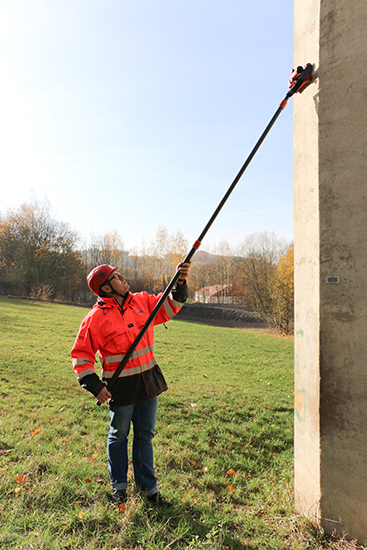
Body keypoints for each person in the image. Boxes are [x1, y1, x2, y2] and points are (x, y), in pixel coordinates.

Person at [71, 262, 191, 507]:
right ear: (105, 288)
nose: (123, 278)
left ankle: (149, 490)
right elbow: (81, 356)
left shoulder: (143, 301)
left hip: (148, 382)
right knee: (119, 436)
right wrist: (94, 385)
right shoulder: (94, 319)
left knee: (145, 436)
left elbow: (171, 307)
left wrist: (180, 282)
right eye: (116, 276)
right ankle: (119, 489)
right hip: (121, 388)